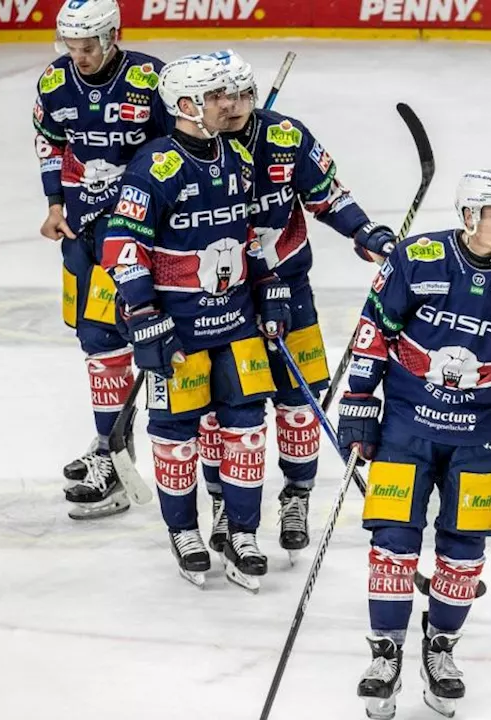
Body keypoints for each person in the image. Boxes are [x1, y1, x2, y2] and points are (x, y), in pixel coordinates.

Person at [337, 170, 491, 719]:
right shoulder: (418, 259)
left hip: (477, 440)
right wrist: (359, 401)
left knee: (464, 551)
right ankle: (385, 651)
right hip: (404, 431)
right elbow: (375, 329)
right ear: (468, 215)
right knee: (393, 540)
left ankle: (442, 651)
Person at [192, 49, 399, 557]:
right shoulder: (195, 148)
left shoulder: (285, 136)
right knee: (222, 409)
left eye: (244, 94)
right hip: (222, 297)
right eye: (224, 96)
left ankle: (296, 495)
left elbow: (327, 193)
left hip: (290, 284)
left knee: (299, 403)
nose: (235, 105)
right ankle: (222, 500)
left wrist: (365, 231)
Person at [101, 53, 289, 589]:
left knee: (247, 429)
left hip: (236, 324)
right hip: (180, 330)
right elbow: (122, 247)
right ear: (185, 106)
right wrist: (143, 314)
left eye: (231, 95)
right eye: (216, 97)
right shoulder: (155, 166)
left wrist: (269, 286)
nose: (229, 105)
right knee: (177, 436)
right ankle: (183, 530)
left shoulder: (236, 158)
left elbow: (252, 234)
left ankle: (242, 531)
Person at [33, 0, 174, 519]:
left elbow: (176, 150)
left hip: (138, 236)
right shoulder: (54, 83)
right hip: (83, 232)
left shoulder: (148, 79)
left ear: (113, 35)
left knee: (149, 344)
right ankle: (111, 446)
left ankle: (150, 454)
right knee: (97, 343)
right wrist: (54, 204)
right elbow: (49, 143)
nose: (80, 56)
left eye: (88, 46)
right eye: (70, 46)